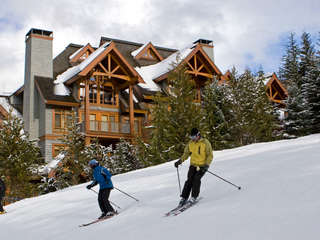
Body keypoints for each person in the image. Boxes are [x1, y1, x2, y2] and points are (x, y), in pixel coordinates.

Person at [174, 128, 213, 206]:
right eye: (191, 138)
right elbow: (186, 153)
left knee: (196, 179)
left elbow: (210, 155)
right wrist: (180, 161)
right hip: (193, 165)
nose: (193, 139)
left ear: (198, 135)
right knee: (189, 180)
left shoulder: (205, 143)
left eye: (194, 137)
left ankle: (194, 197)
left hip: (202, 166)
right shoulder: (190, 143)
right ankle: (184, 198)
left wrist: (206, 165)